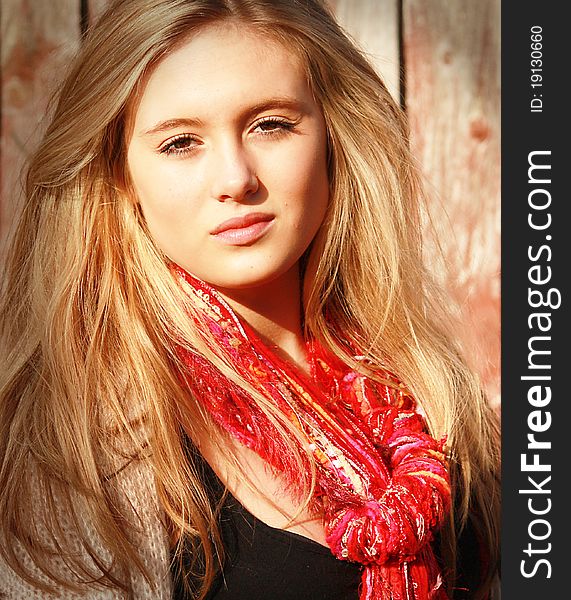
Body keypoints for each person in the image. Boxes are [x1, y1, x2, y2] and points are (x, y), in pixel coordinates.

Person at [0, 0, 500, 598]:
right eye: (181, 142)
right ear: (119, 174)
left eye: (271, 124)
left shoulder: (430, 398)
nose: (236, 178)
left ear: (337, 138)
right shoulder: (70, 444)